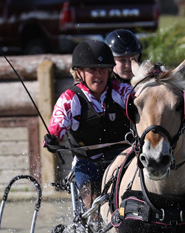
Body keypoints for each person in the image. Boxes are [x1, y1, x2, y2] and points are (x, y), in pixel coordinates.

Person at [43, 40, 133, 214]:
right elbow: (57, 125)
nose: (99, 75)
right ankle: (92, 223)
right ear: (79, 73)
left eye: (103, 70)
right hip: (88, 164)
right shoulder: (69, 99)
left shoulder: (122, 91)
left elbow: (142, 103)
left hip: (123, 160)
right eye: (92, 70)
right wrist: (52, 138)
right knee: (95, 209)